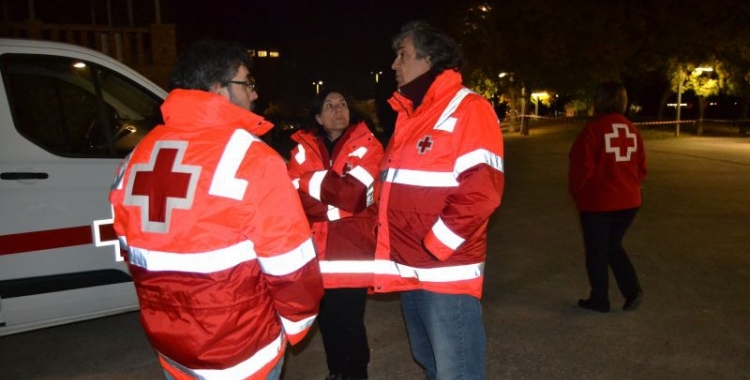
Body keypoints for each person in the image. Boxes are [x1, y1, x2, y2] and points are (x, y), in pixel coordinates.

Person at [108, 40, 324, 380]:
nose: (254, 95)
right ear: (217, 90)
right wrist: (295, 326)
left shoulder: (137, 156)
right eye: (247, 83)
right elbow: (291, 267)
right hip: (241, 351)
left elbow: (129, 248)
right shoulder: (253, 159)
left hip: (171, 345)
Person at [373, 21, 505, 380]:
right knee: (430, 363)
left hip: (444, 272)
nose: (394, 65)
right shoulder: (411, 115)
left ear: (429, 58)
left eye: (403, 54)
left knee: (456, 371)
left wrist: (435, 247)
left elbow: (481, 193)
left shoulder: (468, 108)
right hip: (411, 269)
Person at [287, 88, 384, 380]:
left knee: (351, 324)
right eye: (329, 105)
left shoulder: (369, 145)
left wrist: (308, 182)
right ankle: (336, 373)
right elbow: (294, 200)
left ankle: (356, 375)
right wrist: (335, 196)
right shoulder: (301, 148)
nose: (338, 109)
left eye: (342, 103)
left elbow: (355, 196)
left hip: (351, 253)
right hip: (314, 255)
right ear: (317, 116)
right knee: (327, 322)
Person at [568, 81, 646, 313]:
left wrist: (579, 195)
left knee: (596, 251)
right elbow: (642, 168)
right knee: (611, 245)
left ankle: (600, 299)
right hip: (629, 201)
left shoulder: (594, 129)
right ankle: (632, 291)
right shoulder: (633, 130)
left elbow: (581, 168)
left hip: (599, 202)